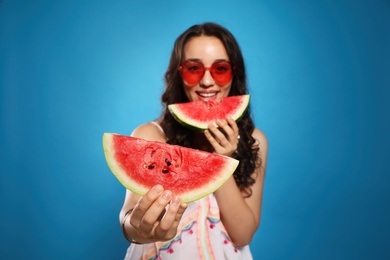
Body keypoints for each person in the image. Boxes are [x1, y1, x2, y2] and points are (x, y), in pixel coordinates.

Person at [119, 22, 268, 259]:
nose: (207, 81)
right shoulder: (151, 135)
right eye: (194, 68)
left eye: (220, 69)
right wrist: (140, 230)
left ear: (234, 73)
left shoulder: (254, 140)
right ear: (179, 74)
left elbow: (243, 234)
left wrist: (223, 161)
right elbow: (128, 219)